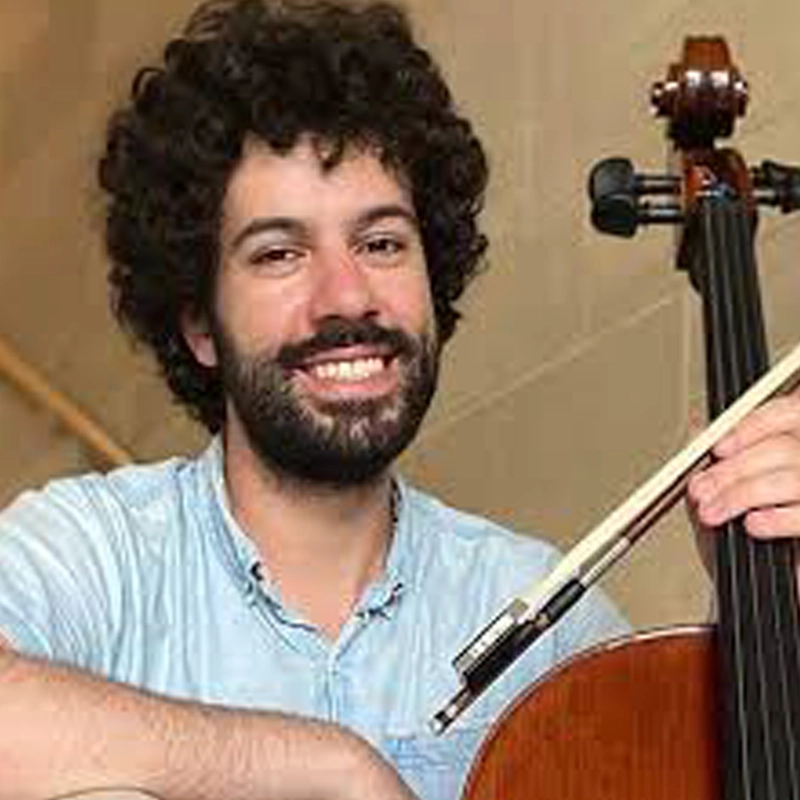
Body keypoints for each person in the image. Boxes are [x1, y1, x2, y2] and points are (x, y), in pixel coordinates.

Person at [0, 1, 798, 799]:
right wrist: (328, 766)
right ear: (200, 325)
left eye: (381, 243)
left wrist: (780, 610)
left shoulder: (548, 632)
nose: (347, 297)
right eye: (279, 253)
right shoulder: (96, 552)